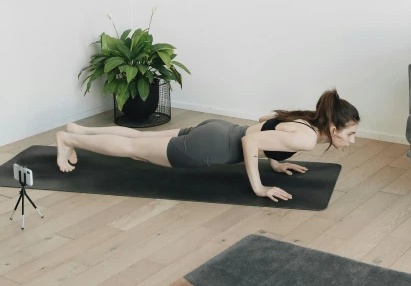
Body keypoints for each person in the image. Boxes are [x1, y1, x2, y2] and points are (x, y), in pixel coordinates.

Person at [55, 87, 360, 203]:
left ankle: (78, 129)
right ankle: (69, 139)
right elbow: (251, 140)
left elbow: (266, 121)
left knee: (140, 137)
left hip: (216, 130)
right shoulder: (306, 138)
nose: (352, 140)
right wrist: (259, 187)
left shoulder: (307, 120)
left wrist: (277, 160)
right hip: (208, 149)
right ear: (333, 129)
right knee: (135, 151)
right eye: (349, 134)